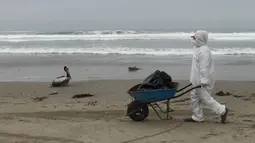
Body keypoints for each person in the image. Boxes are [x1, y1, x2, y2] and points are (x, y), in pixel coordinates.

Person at [184, 30, 228, 123]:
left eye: (194, 38)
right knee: (194, 97)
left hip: (202, 80)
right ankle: (197, 116)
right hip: (195, 79)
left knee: (204, 98)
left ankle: (222, 110)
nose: (193, 39)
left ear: (199, 39)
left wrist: (204, 80)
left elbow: (204, 67)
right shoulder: (197, 48)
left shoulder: (203, 51)